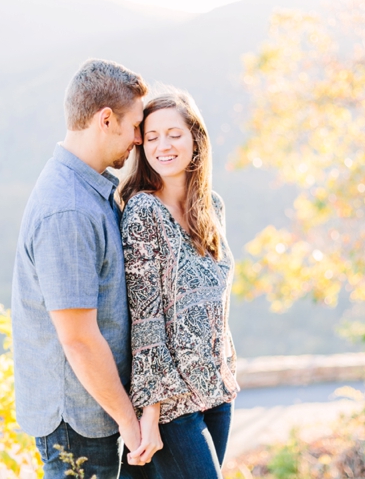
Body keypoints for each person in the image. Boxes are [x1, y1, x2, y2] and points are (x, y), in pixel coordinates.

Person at [11, 59, 150, 479]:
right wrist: (128, 421)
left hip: (92, 412)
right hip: (77, 422)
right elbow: (78, 339)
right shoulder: (68, 209)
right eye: (136, 125)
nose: (140, 139)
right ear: (106, 119)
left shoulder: (88, 189)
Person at [118, 90, 240, 479]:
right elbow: (146, 319)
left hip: (217, 391)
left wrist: (227, 371)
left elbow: (218, 308)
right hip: (173, 403)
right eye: (151, 137)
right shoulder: (143, 212)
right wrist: (150, 415)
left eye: (173, 134)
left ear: (195, 139)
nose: (162, 145)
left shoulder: (212, 207)